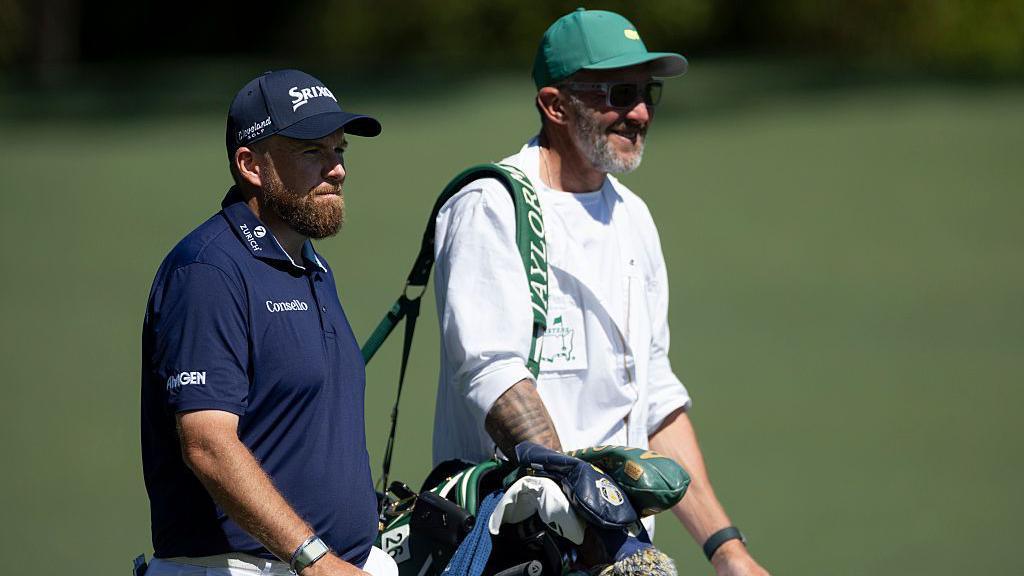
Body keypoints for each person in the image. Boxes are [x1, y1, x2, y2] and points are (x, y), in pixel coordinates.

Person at [431, 10, 770, 575]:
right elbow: (493, 377)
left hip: (619, 556)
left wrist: (727, 550)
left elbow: (654, 399)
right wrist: (599, 531)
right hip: (515, 553)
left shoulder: (634, 218)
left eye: (646, 92)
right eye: (617, 93)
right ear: (555, 105)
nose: (638, 113)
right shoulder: (492, 205)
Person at [140, 69, 396, 576]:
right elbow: (208, 444)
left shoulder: (311, 265)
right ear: (251, 164)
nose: (338, 169)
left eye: (339, 150)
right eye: (311, 152)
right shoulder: (208, 270)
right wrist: (315, 558)